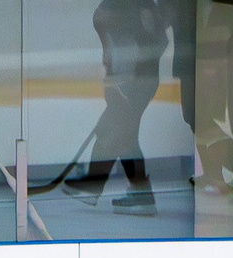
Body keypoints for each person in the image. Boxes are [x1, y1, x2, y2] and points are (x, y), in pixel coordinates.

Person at [66, 0, 168, 214]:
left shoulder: (139, 7)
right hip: (124, 79)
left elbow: (158, 41)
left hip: (135, 81)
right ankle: (101, 187)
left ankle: (136, 194)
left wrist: (129, 81)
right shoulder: (120, 6)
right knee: (115, 132)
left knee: (121, 135)